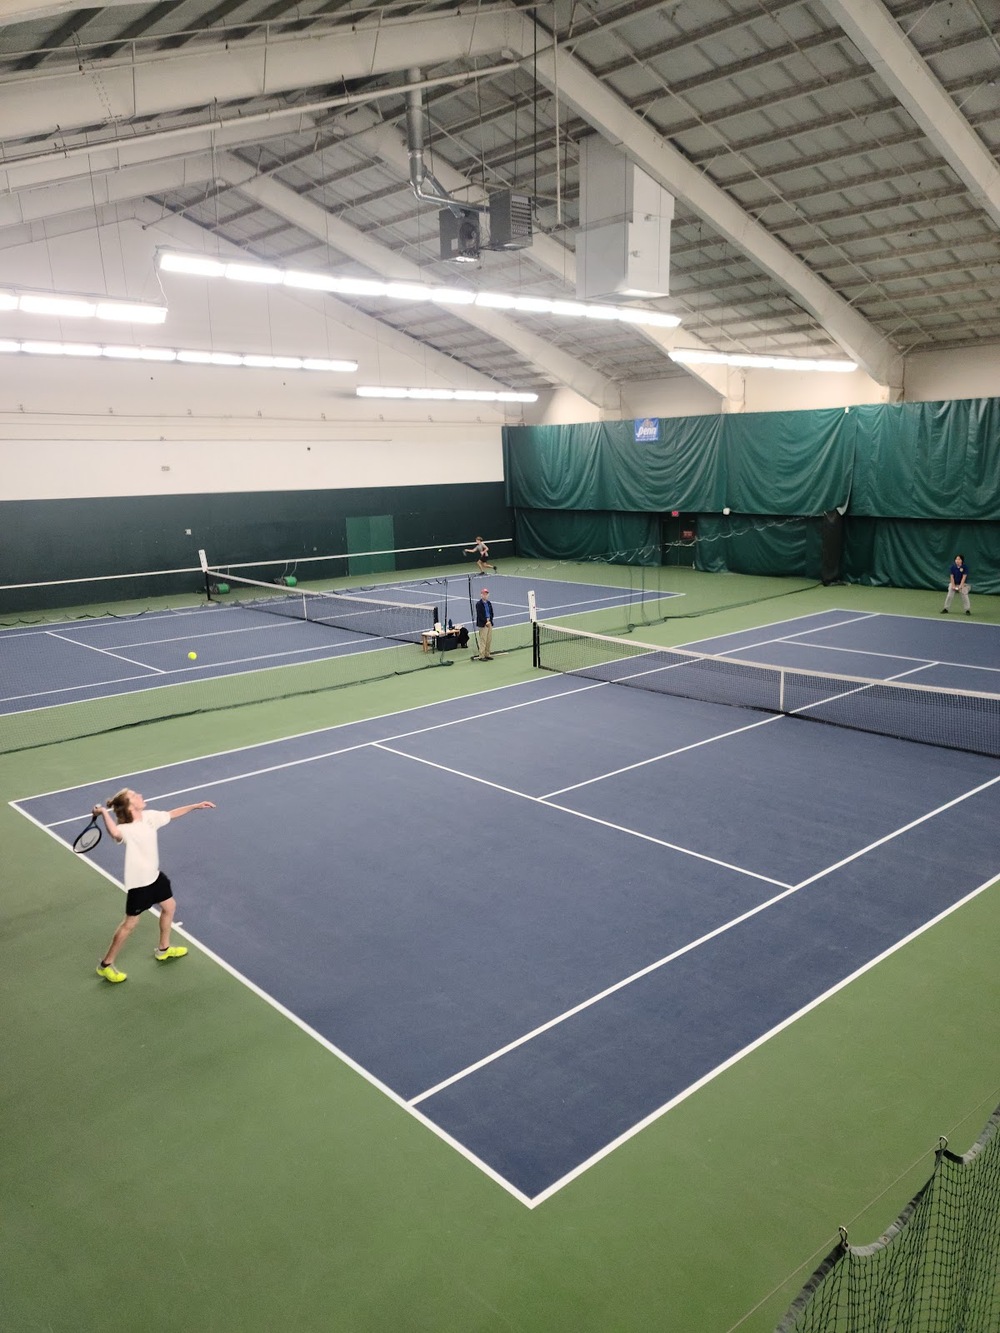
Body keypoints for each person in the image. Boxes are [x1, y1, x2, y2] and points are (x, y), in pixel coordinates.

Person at [93, 788, 216, 983]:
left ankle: (163, 949)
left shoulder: (150, 817)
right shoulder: (126, 830)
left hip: (155, 877)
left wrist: (195, 806)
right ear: (130, 806)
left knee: (170, 906)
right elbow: (115, 833)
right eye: (135, 796)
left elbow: (171, 814)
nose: (140, 795)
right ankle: (105, 965)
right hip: (139, 885)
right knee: (130, 925)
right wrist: (104, 814)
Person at [474, 588, 494, 660]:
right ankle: (482, 656)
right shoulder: (478, 604)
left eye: (486, 594)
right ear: (481, 595)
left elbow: (491, 613)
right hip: (483, 624)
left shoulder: (489, 603)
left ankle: (487, 654)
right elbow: (480, 615)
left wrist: (490, 620)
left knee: (489, 639)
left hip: (489, 623)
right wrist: (486, 622)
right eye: (484, 594)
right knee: (483, 640)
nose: (485, 595)